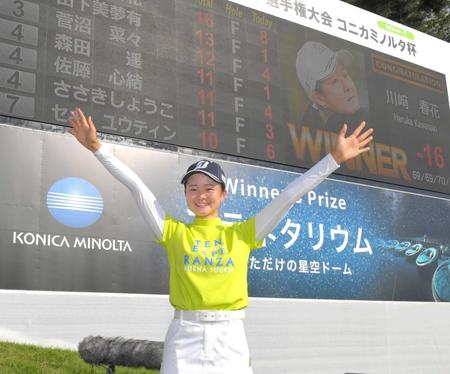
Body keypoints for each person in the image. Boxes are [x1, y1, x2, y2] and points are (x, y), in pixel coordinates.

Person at [68, 108, 373, 374]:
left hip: (230, 338)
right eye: (193, 189)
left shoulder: (242, 234)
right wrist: (97, 148)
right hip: (183, 336)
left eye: (209, 188)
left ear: (223, 194)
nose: (201, 195)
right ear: (186, 195)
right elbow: (138, 188)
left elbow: (289, 196)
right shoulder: (173, 232)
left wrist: (333, 159)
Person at [295, 41, 368, 132]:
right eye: (335, 82)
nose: (347, 87)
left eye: (345, 75)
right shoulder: (307, 137)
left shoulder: (368, 120)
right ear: (319, 98)